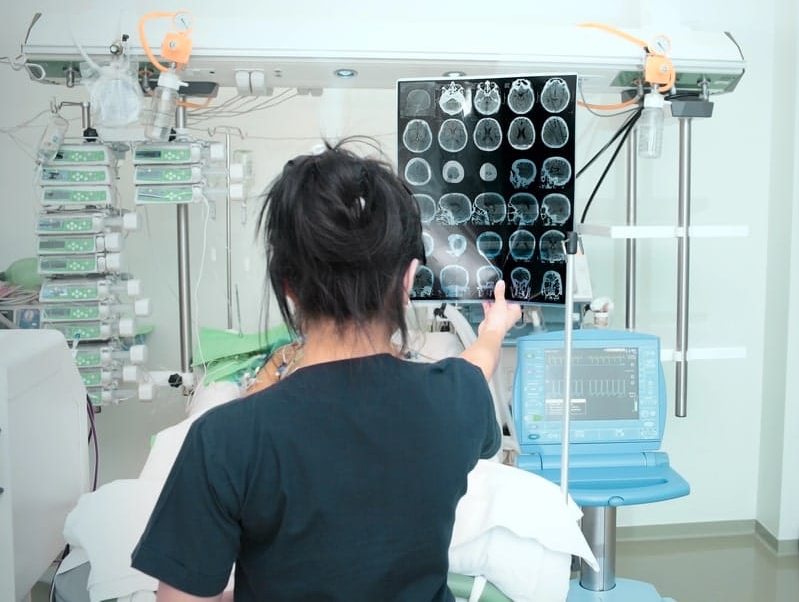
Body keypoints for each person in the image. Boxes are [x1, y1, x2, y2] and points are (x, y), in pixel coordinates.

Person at [131, 138, 522, 602]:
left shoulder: (226, 439)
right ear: (408, 280)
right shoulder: (457, 398)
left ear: (288, 286)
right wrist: (494, 328)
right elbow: (478, 362)